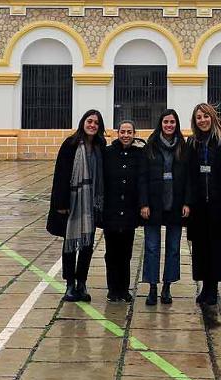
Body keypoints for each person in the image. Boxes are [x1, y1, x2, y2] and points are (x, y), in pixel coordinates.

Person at [47, 109, 106, 303]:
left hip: (91, 202)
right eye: (90, 121)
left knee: (87, 245)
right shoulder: (70, 144)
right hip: (72, 202)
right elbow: (60, 175)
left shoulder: (100, 145)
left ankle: (82, 282)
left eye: (96, 123)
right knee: (70, 244)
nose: (92, 125)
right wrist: (60, 203)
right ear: (83, 123)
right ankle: (70, 284)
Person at [184, 103, 221, 306]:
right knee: (199, 247)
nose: (202, 120)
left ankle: (213, 288)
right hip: (198, 205)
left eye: (205, 116)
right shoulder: (192, 142)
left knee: (216, 247)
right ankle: (204, 286)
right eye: (198, 117)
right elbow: (189, 173)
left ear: (212, 117)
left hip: (218, 203)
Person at [138, 109, 188, 306]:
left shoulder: (183, 148)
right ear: (161, 124)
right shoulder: (150, 147)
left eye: (172, 122)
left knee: (174, 248)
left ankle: (167, 286)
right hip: (154, 204)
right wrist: (143, 203)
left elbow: (188, 179)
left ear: (176, 125)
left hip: (175, 204)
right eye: (166, 121)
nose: (169, 125)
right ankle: (152, 287)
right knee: (151, 248)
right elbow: (142, 178)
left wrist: (186, 202)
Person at [101, 120, 144, 302]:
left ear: (134, 134)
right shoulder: (108, 153)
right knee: (111, 253)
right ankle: (113, 289)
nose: (126, 135)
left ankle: (124, 289)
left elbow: (142, 180)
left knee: (126, 253)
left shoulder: (139, 154)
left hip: (129, 211)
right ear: (117, 133)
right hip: (111, 211)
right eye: (123, 131)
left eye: (129, 132)